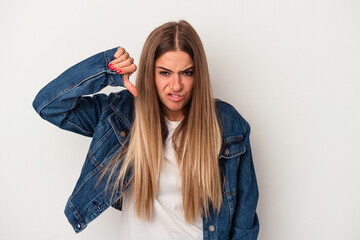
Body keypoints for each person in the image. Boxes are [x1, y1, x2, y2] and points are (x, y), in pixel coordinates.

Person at [33, 20, 259, 239]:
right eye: (165, 72)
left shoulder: (228, 125)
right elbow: (49, 106)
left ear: (198, 74)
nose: (176, 85)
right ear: (150, 72)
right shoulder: (121, 115)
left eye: (187, 72)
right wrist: (105, 69)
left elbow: (244, 222)